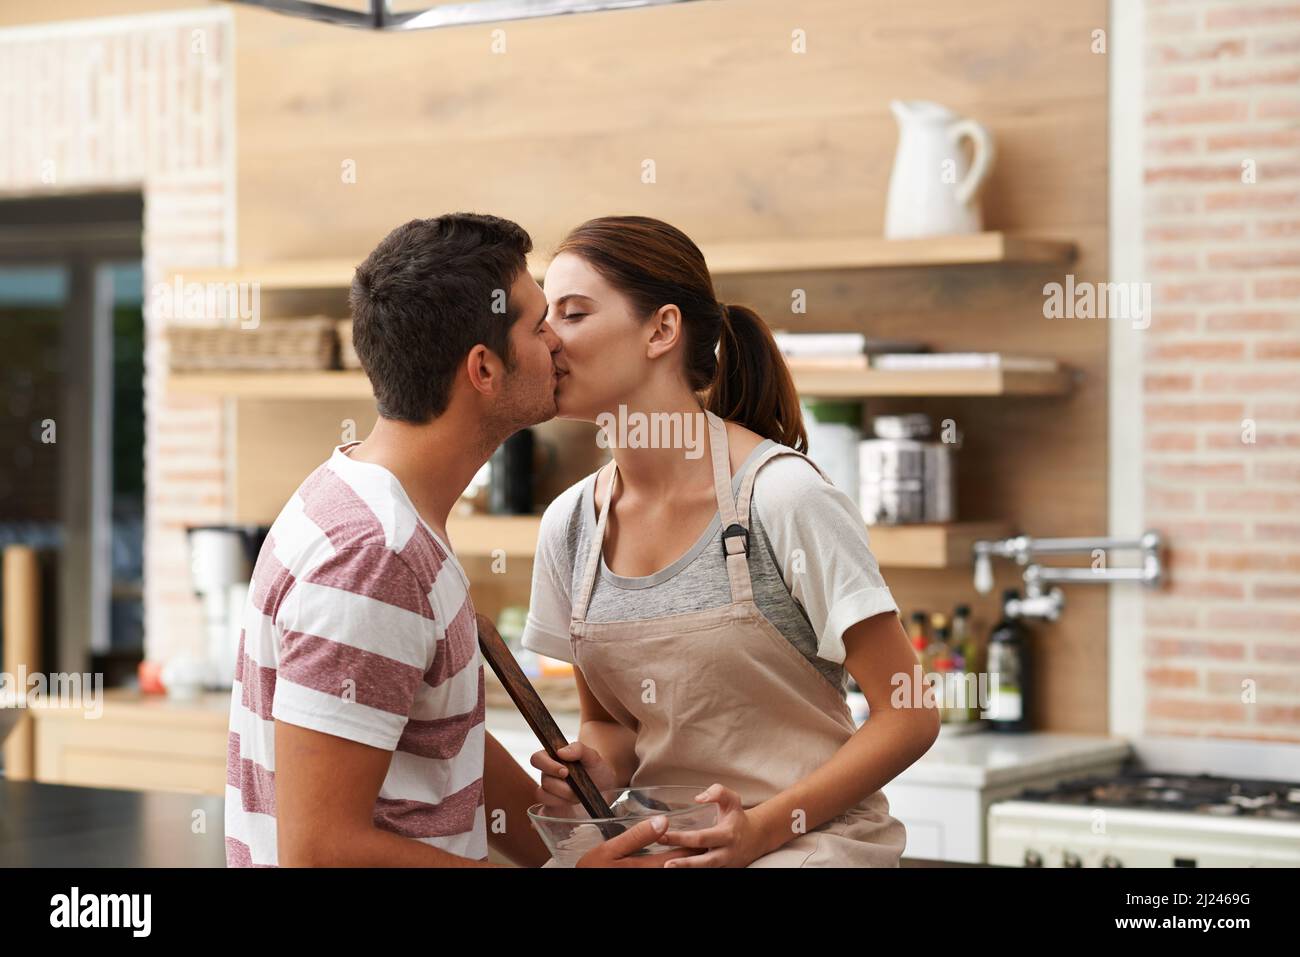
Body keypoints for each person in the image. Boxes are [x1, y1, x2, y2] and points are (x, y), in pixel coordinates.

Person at [225, 213, 688, 867]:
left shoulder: (380, 507)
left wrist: (571, 854)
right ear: (484, 369)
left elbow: (441, 740)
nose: (556, 341)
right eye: (536, 325)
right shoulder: (373, 555)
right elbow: (320, 849)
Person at [521, 215, 941, 867]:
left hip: (808, 843)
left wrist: (765, 829)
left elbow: (909, 714)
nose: (547, 340)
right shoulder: (572, 524)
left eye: (573, 314)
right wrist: (598, 773)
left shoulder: (782, 498)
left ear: (661, 330)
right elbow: (612, 722)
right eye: (545, 318)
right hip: (668, 844)